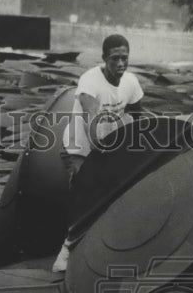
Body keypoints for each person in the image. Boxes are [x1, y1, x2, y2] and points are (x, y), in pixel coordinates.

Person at [52, 34, 144, 273]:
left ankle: (105, 249)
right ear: (104, 59)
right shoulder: (89, 82)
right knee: (88, 195)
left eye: (125, 58)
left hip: (109, 145)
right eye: (115, 59)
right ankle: (65, 252)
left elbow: (138, 117)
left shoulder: (131, 82)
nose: (121, 64)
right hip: (80, 146)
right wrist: (101, 153)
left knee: (116, 197)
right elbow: (90, 118)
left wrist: (133, 150)